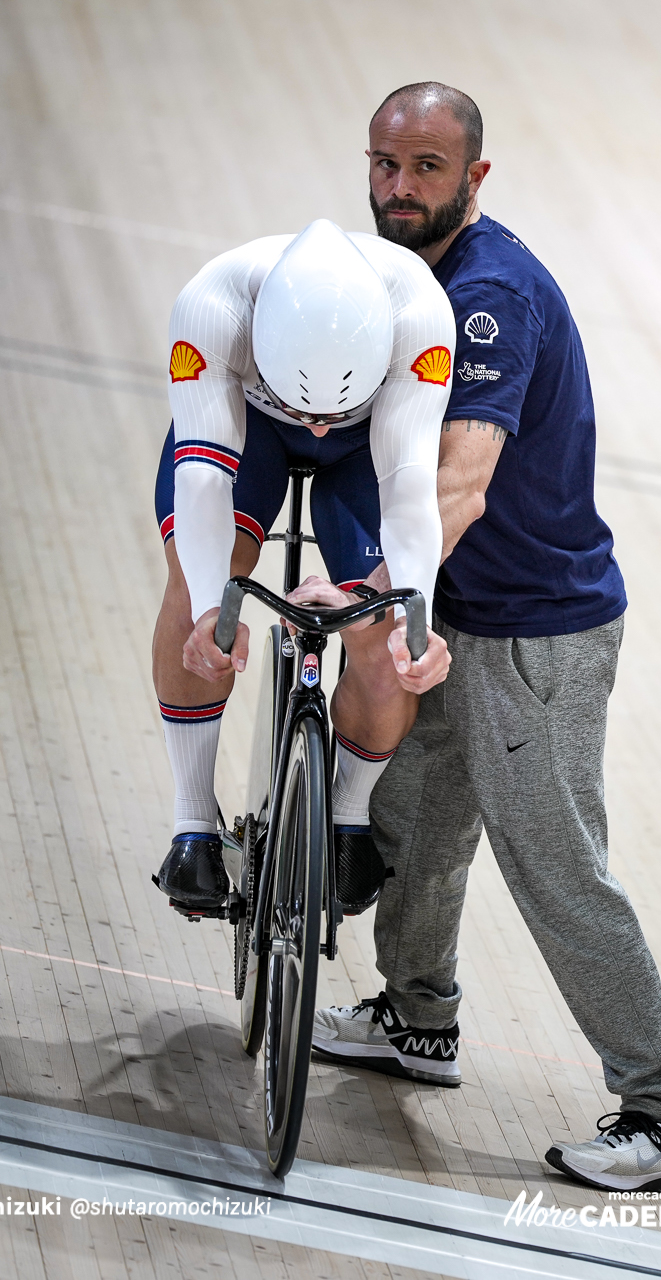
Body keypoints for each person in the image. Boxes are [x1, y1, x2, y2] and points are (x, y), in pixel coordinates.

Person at [309, 83, 661, 1195]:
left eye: (426, 168)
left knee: (557, 868)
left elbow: (461, 485)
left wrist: (366, 590)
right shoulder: (396, 276)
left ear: (476, 178)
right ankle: (416, 1016)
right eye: (384, 165)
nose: (398, 188)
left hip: (537, 635)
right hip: (457, 610)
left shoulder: (488, 299)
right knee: (412, 822)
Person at [150, 218, 454, 919]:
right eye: (302, 405)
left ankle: (348, 813)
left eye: (330, 409)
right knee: (199, 589)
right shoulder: (210, 308)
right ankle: (191, 820)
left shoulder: (421, 315)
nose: (315, 425)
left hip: (367, 450)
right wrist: (206, 612)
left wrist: (416, 621)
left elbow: (409, 487)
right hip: (245, 427)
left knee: (381, 627)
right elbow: (201, 482)